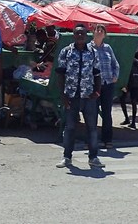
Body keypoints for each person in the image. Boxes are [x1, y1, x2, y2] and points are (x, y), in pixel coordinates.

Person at [55, 24, 104, 168]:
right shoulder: (66, 52)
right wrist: (63, 94)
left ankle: (93, 157)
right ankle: (67, 157)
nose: (80, 36)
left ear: (87, 36)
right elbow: (60, 74)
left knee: (92, 127)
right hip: (71, 95)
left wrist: (97, 91)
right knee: (70, 127)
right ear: (73, 36)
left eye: (83, 34)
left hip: (88, 95)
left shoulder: (93, 52)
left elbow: (97, 73)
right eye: (78, 34)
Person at [91, 24, 120, 149]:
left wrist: (115, 75)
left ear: (104, 34)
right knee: (92, 113)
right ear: (93, 33)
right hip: (93, 86)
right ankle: (91, 140)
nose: (99, 32)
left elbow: (115, 64)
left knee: (107, 113)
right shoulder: (88, 48)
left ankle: (107, 139)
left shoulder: (108, 48)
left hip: (107, 84)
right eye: (97, 30)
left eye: (101, 30)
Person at [120, 50, 138, 128]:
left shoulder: (131, 61)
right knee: (133, 102)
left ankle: (128, 119)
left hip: (130, 83)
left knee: (123, 99)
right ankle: (132, 121)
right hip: (137, 83)